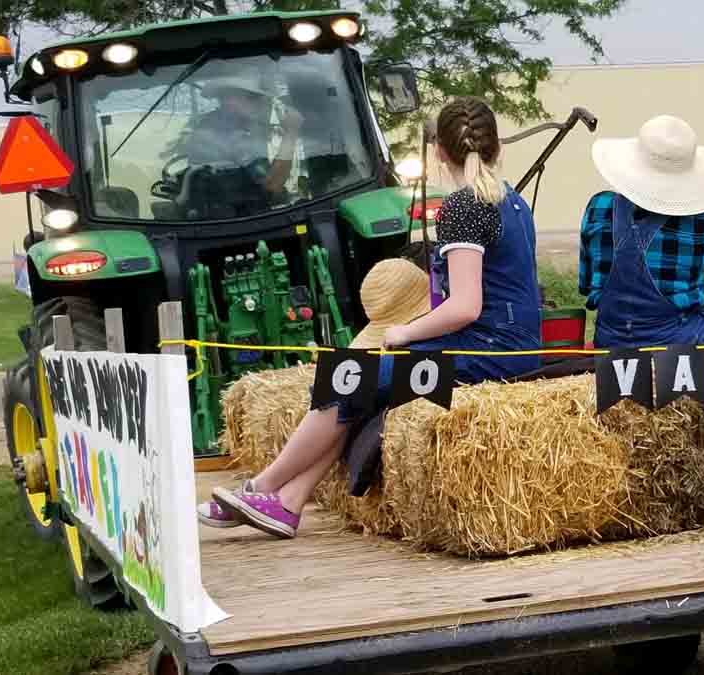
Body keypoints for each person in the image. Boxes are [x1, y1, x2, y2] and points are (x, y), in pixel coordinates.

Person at [198, 96, 543, 539]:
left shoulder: (462, 207)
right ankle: (287, 503)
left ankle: (259, 485)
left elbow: (465, 307)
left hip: (484, 352)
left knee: (346, 376)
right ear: (497, 147)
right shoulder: (513, 203)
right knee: (363, 387)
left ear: (439, 151)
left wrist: (403, 332)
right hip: (514, 347)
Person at [579, 114, 704, 348]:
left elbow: (586, 285)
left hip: (611, 341)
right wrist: (698, 197)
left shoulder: (598, 206)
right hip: (683, 339)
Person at [182, 71, 303, 215]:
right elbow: (272, 186)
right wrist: (291, 133)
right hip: (234, 223)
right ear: (230, 98)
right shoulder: (226, 134)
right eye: (255, 97)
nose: (262, 103)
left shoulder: (218, 125)